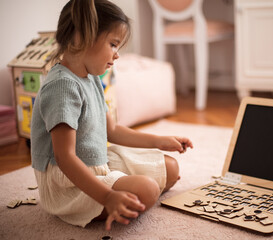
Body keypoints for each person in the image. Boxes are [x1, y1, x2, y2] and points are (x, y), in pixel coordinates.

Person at [30, 0, 193, 231]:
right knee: (146, 190)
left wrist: (160, 140)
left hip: (96, 161)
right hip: (67, 183)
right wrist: (107, 197)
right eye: (113, 44)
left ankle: (120, 188)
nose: (117, 55)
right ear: (81, 36)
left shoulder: (92, 78)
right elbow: (65, 158)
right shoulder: (62, 87)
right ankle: (111, 196)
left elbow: (112, 130)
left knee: (171, 168)